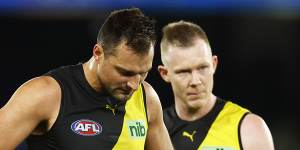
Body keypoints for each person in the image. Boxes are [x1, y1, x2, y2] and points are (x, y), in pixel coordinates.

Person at [0, 8, 173, 150]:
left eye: (143, 73)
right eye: (125, 72)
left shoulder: (147, 99)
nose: (134, 84)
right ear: (98, 53)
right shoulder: (45, 94)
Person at [158, 20, 274, 150]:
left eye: (202, 68)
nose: (195, 81)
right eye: (184, 72)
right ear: (165, 73)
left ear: (213, 64)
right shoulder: (153, 130)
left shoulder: (249, 129)